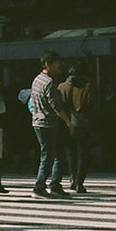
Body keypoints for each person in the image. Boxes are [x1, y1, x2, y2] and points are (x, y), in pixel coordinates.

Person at [31, 50, 74, 198]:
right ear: (48, 64)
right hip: (47, 123)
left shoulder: (37, 79)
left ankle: (54, 184)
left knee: (52, 155)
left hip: (37, 121)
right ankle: (40, 186)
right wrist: (68, 122)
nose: (59, 66)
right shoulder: (49, 82)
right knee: (50, 156)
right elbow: (56, 106)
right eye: (56, 64)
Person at [59, 63, 95, 193]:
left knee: (70, 153)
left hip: (66, 122)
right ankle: (80, 182)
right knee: (82, 153)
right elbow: (91, 104)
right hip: (82, 123)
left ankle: (72, 177)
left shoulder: (62, 86)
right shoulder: (87, 86)